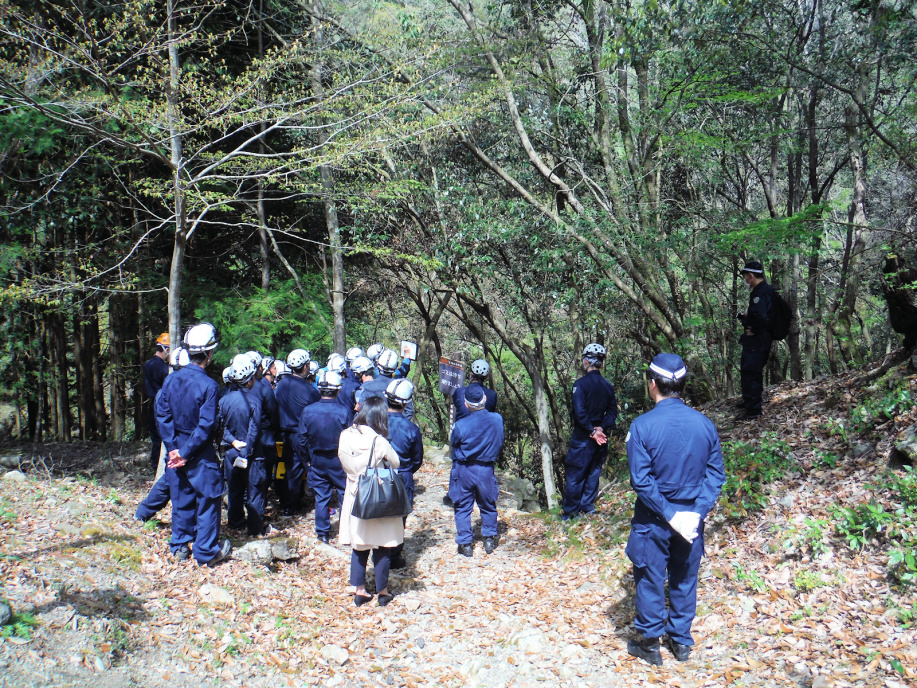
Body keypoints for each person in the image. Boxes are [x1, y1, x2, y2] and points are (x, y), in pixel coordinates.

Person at [625, 353, 726, 666]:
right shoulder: (704, 424)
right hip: (691, 517)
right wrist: (696, 513)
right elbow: (715, 475)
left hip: (654, 518)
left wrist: (671, 514)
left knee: (650, 577)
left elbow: (641, 481)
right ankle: (680, 641)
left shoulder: (642, 426)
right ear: (682, 384)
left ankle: (651, 644)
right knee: (684, 577)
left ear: (652, 385)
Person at [155, 323, 231, 566]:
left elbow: (162, 415)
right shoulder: (209, 385)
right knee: (209, 498)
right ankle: (205, 551)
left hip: (176, 446)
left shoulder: (171, 380)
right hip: (198, 450)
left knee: (181, 496)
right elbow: (206, 424)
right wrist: (186, 452)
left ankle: (180, 546)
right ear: (209, 353)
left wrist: (173, 449)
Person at [337, 396, 403, 607]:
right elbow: (396, 462)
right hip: (377, 494)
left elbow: (343, 461)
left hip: (355, 493)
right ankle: (382, 592)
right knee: (383, 544)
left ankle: (360, 591)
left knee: (359, 544)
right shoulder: (379, 441)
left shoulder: (345, 436)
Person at [563, 343, 618, 520]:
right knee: (593, 472)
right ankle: (587, 508)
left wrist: (592, 431)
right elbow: (612, 413)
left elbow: (579, 412)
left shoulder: (580, 385)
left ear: (586, 361)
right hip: (600, 438)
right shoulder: (608, 386)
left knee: (575, 474)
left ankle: (571, 513)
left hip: (583, 438)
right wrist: (601, 428)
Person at [298, 371, 353, 543]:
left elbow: (301, 439)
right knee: (344, 493)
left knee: (321, 497)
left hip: (317, 458)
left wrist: (307, 459)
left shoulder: (308, 411)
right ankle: (346, 530)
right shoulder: (344, 411)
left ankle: (322, 533)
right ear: (337, 390)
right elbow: (352, 437)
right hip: (340, 460)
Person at [449, 386, 504, 557]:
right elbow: (500, 439)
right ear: (485, 399)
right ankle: (489, 539)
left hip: (464, 469)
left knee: (462, 506)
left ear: (466, 404)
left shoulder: (461, 425)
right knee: (488, 504)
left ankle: (465, 544)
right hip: (486, 469)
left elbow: (454, 442)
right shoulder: (497, 419)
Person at [135, 347, 188, 522]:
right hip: (182, 443)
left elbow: (163, 421)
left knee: (169, 479)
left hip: (173, 441)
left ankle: (142, 513)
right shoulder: (183, 387)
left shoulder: (165, 386)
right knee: (173, 480)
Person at [220, 354, 265, 535]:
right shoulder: (254, 401)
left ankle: (235, 522)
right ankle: (255, 528)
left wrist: (233, 441)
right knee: (255, 491)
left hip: (232, 451)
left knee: (234, 489)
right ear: (249, 380)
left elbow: (219, 427)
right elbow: (254, 428)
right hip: (252, 453)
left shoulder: (224, 400)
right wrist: (246, 449)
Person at [274, 349, 320, 515]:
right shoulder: (310, 391)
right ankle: (321, 501)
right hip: (303, 435)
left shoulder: (282, 385)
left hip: (286, 433)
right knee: (311, 467)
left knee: (291, 470)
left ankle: (290, 505)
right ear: (306, 366)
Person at [385, 379, 423, 568]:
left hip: (379, 473)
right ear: (406, 403)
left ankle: (379, 551)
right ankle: (394, 555)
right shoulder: (411, 429)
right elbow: (417, 459)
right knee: (400, 515)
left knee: (378, 510)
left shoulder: (375, 423)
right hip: (403, 475)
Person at [736, 260, 776, 420]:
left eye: (745, 277)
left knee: (751, 371)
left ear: (751, 275)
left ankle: (753, 409)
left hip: (758, 340)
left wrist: (754, 329)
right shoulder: (765, 290)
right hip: (761, 339)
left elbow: (763, 318)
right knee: (750, 370)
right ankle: (749, 401)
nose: (745, 280)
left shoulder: (760, 293)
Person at [142, 333, 170, 471]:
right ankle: (161, 467)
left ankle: (155, 465)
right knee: (162, 437)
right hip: (162, 405)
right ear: (166, 349)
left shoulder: (147, 364)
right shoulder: (164, 368)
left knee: (155, 438)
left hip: (151, 404)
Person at [361, 349, 415, 420]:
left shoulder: (367, 387)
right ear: (395, 367)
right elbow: (408, 411)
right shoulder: (399, 388)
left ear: (378, 365)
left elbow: (361, 410)